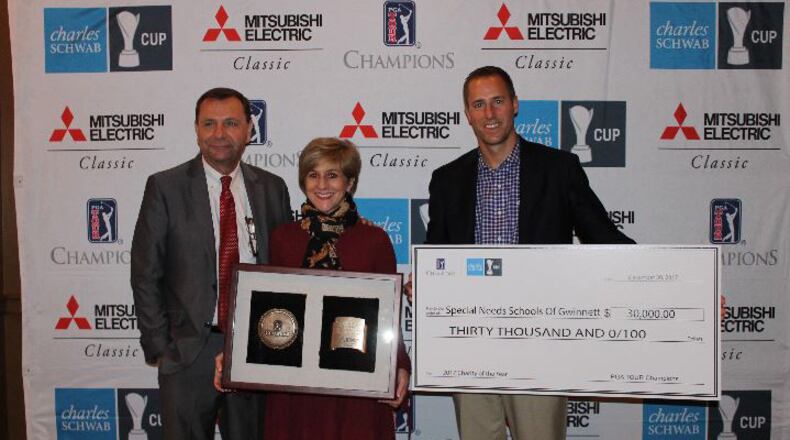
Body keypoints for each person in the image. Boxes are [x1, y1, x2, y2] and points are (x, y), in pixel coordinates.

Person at [425, 66, 634, 440]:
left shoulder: (559, 169)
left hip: (539, 342)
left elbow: (604, 237)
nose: (490, 114)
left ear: (515, 104)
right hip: (470, 344)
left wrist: (678, 287)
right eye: (479, 104)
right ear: (467, 114)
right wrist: (423, 285)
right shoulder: (447, 179)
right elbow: (436, 257)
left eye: (498, 101)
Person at [214, 137, 410, 439]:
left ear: (350, 182)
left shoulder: (374, 240)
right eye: (313, 174)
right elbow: (270, 311)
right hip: (296, 388)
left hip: (357, 383)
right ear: (303, 181)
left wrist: (399, 365)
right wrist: (235, 351)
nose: (322, 184)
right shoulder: (284, 238)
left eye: (333, 175)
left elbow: (389, 316)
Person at [131, 87, 291, 439]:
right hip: (188, 353)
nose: (219, 134)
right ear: (196, 129)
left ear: (250, 129)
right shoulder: (165, 187)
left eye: (231, 123)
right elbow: (145, 272)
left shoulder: (272, 188)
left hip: (256, 348)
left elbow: (286, 266)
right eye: (209, 124)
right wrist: (161, 347)